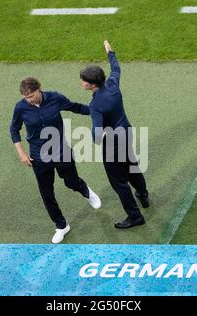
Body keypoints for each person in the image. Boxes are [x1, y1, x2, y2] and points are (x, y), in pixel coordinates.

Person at [10, 77, 101, 244]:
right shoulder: (20, 107)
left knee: (71, 182)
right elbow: (14, 129)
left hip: (61, 150)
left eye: (31, 96)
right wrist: (22, 153)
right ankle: (61, 226)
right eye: (25, 97)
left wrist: (98, 111)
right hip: (38, 156)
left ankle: (86, 192)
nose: (28, 100)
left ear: (39, 89)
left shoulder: (54, 98)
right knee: (46, 193)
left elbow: (75, 107)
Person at [79, 40, 150, 229]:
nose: (81, 82)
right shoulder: (112, 84)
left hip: (112, 144)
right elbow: (116, 68)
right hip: (126, 133)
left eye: (84, 80)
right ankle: (143, 195)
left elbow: (96, 133)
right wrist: (110, 52)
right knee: (132, 166)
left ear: (92, 84)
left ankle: (135, 216)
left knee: (119, 182)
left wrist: (98, 138)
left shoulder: (95, 106)